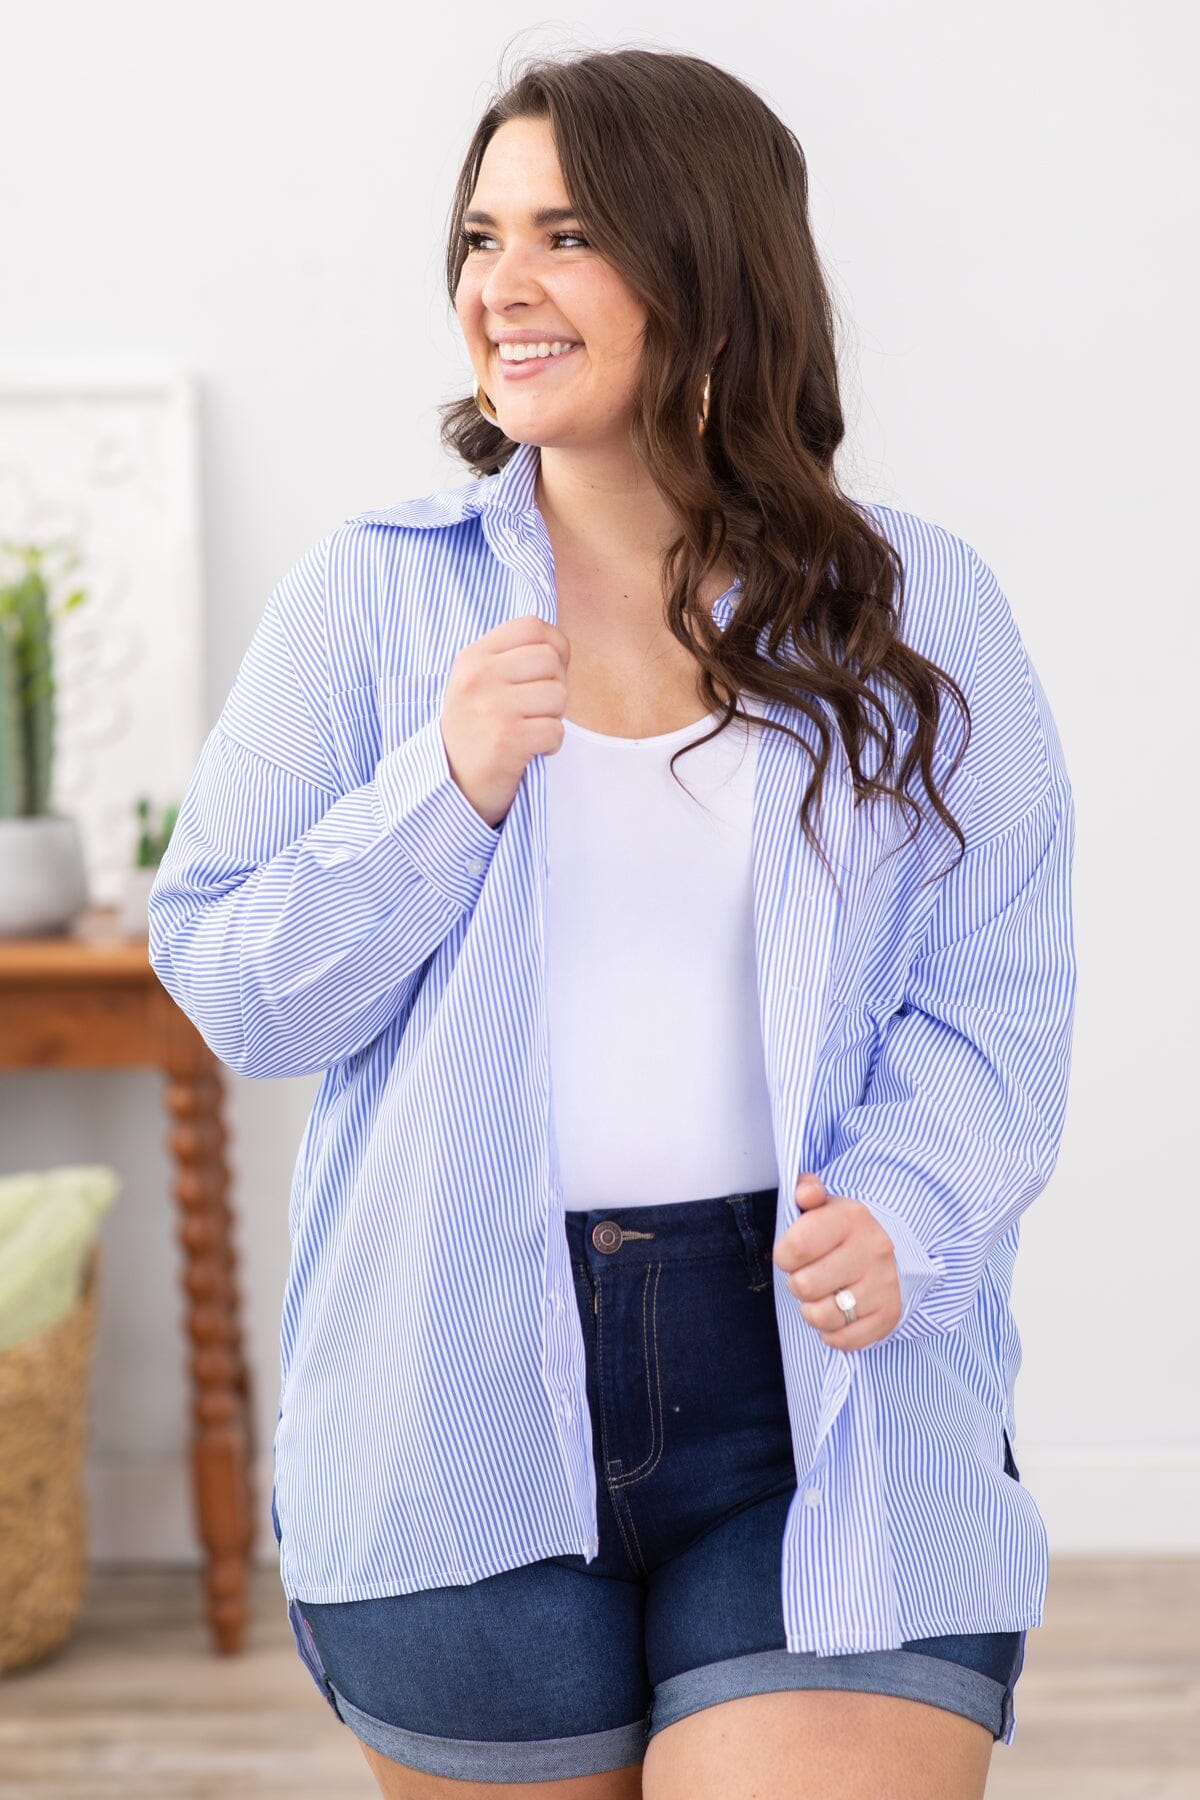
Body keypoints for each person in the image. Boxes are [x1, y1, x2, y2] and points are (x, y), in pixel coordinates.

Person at [147, 45, 1077, 1800]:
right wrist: (441, 790)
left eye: (566, 236)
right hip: (449, 1386)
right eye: (481, 237)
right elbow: (235, 989)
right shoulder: (369, 596)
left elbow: (993, 999)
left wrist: (911, 1204)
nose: (502, 284)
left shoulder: (913, 608)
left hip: (820, 1382)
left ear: (708, 263)